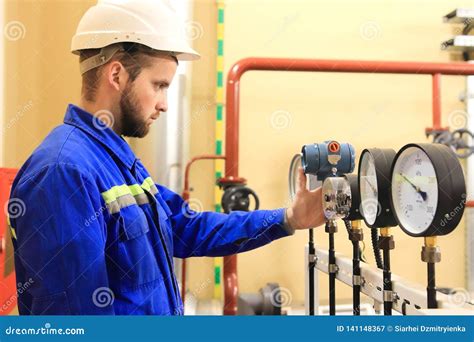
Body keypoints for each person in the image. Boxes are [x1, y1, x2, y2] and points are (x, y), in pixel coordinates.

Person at [8, 0, 324, 315]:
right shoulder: (64, 173)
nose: (164, 104)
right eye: (159, 86)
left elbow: (188, 228)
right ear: (116, 75)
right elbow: (73, 323)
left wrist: (288, 219)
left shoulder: (115, 162)